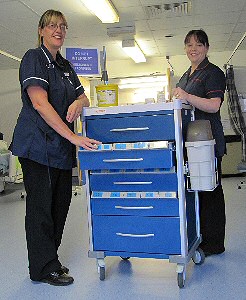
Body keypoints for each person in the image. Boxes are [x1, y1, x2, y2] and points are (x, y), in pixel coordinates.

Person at [10, 9, 101, 286]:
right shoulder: (33, 58)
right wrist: (74, 138)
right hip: (37, 146)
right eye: (51, 26)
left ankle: (49, 258)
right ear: (41, 30)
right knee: (41, 209)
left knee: (59, 206)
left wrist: (77, 103)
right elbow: (39, 103)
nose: (58, 30)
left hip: (59, 149)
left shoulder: (65, 66)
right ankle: (42, 268)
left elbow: (84, 96)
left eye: (62, 26)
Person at [172, 29, 226, 257]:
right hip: (190, 144)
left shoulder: (213, 72)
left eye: (198, 44)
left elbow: (214, 105)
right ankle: (199, 237)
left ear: (207, 48)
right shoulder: (187, 74)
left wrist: (186, 96)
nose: (193, 49)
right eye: (189, 45)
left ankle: (214, 244)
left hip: (207, 143)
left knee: (210, 193)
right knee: (195, 193)